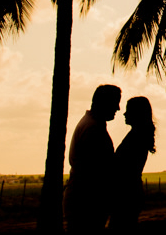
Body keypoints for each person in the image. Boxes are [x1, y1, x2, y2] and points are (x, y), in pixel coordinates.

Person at [64, 84, 120, 233]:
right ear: (105, 102)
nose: (118, 108)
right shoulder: (93, 128)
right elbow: (95, 170)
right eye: (115, 102)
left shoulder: (91, 125)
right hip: (86, 203)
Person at [109, 96, 156, 232]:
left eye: (128, 110)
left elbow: (123, 168)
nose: (124, 113)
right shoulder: (138, 136)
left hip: (126, 195)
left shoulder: (136, 138)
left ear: (137, 114)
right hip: (131, 193)